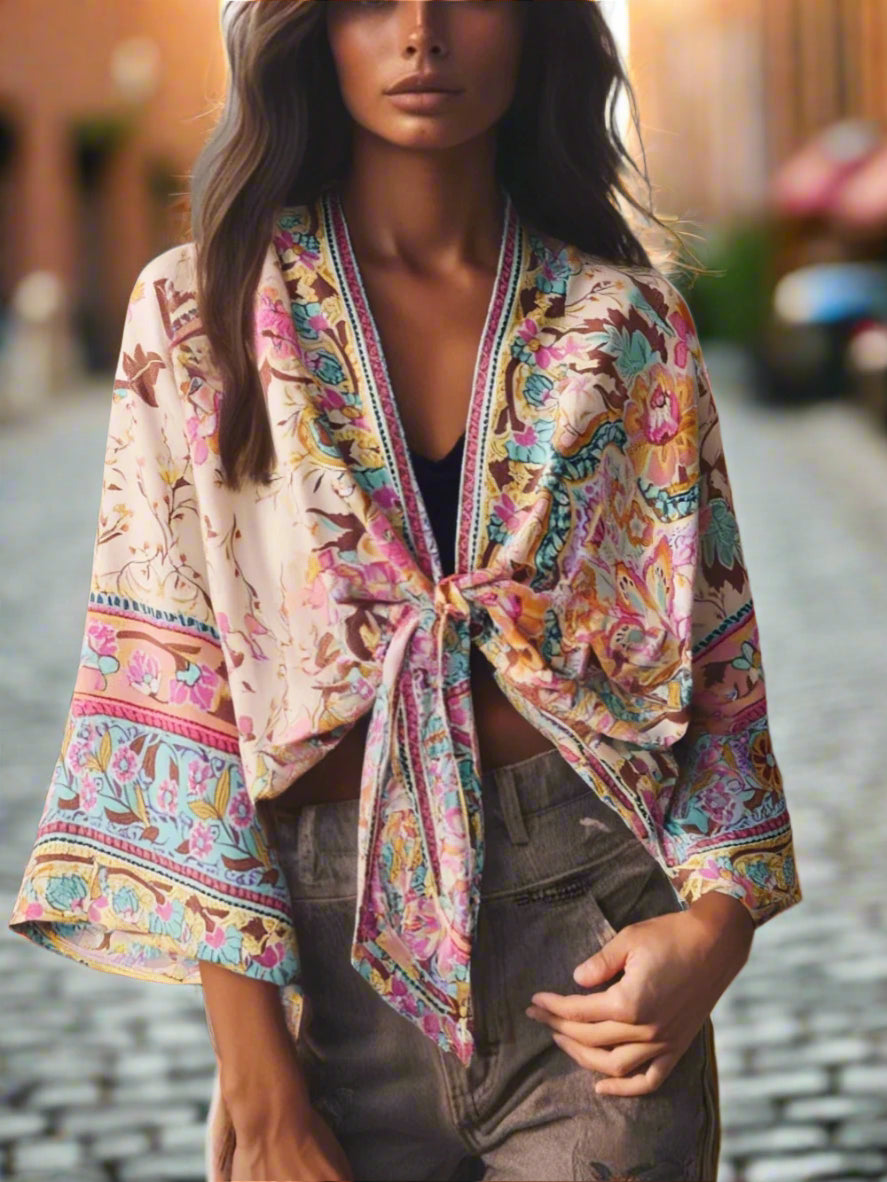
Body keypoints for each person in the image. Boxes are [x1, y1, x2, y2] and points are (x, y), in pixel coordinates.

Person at [7, 3, 804, 1180]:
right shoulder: (200, 316)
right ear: (311, 32)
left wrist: (708, 934)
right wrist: (256, 1075)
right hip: (321, 977)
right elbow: (174, 687)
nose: (421, 32)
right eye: (372, 0)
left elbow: (713, 670)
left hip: (585, 951)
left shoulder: (627, 329)